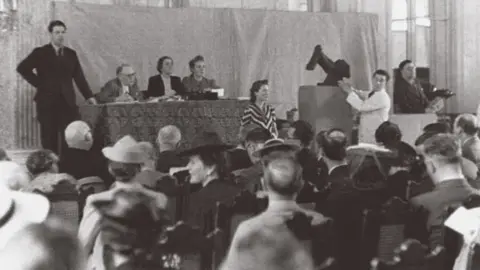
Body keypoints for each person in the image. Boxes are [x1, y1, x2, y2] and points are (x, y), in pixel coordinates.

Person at [16, 20, 96, 155]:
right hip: (47, 103)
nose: (60, 35)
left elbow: (79, 77)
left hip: (67, 103)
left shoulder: (71, 54)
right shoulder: (40, 52)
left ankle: (67, 168)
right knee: (49, 138)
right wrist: (40, 84)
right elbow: (22, 68)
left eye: (63, 32)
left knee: (70, 137)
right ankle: (50, 169)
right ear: (50, 34)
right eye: (57, 32)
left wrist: (89, 96)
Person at [180, 131, 241, 232]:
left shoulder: (199, 199)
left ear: (211, 167)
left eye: (193, 162)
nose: (188, 167)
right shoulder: (238, 191)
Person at [338, 69, 391, 143]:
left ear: (386, 83)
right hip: (368, 132)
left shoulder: (382, 97)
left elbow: (361, 107)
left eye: (381, 80)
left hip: (375, 135)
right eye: (376, 79)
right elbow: (363, 94)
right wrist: (351, 89)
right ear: (372, 79)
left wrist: (349, 91)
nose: (378, 83)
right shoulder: (373, 93)